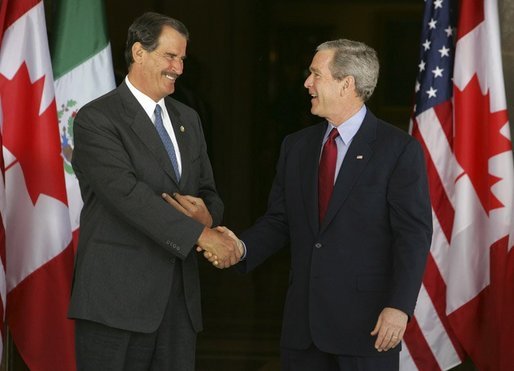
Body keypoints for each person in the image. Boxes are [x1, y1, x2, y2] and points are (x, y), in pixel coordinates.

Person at [183, 38, 432, 370]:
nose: (307, 83)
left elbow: (413, 236)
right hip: (303, 330)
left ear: (347, 84)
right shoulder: (296, 147)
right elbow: (280, 220)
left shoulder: (398, 150)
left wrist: (399, 307)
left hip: (367, 328)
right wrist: (240, 248)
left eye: (316, 74)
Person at [68, 12, 240, 371]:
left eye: (182, 59)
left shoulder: (187, 119)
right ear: (139, 52)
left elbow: (209, 191)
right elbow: (128, 197)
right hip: (116, 303)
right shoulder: (97, 119)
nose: (178, 67)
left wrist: (208, 216)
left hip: (178, 307)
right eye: (170, 56)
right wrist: (203, 236)